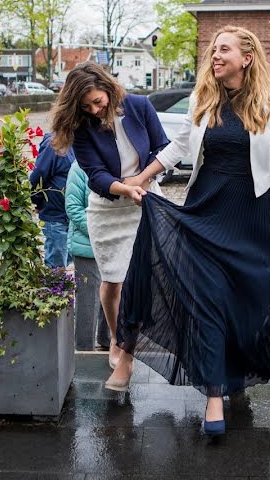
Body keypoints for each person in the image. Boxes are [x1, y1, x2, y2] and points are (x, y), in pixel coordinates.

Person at [111, 26, 270, 435]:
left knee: (247, 303)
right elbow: (178, 147)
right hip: (206, 212)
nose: (215, 55)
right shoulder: (203, 100)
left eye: (224, 49)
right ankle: (214, 395)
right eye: (214, 49)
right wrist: (141, 178)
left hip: (252, 218)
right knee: (209, 302)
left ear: (247, 57)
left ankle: (238, 373)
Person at [49, 61, 168, 374]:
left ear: (108, 88)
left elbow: (163, 148)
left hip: (146, 198)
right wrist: (124, 188)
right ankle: (115, 338)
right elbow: (96, 175)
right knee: (113, 279)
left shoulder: (140, 106)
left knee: (143, 277)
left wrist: (141, 179)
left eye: (98, 102)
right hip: (107, 207)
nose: (94, 110)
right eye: (86, 106)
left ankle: (131, 338)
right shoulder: (82, 127)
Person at [65, 161, 111, 351]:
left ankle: (107, 340)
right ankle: (84, 348)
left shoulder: (114, 162)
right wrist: (98, 231)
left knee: (112, 292)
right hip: (86, 246)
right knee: (88, 299)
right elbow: (73, 208)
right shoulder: (79, 167)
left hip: (111, 244)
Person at [30, 133, 75, 268]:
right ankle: (55, 288)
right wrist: (36, 200)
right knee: (57, 264)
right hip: (55, 215)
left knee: (68, 259)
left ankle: (62, 286)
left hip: (72, 216)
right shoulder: (53, 144)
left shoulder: (80, 141)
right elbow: (37, 177)